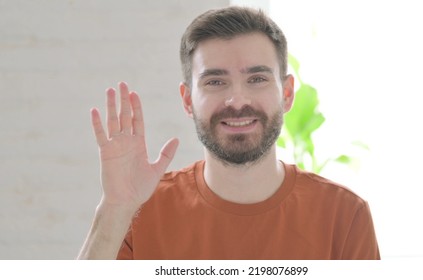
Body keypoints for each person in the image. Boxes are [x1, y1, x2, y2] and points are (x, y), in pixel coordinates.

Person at [77, 6, 380, 260]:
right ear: (187, 100)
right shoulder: (137, 212)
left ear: (286, 94)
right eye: (215, 82)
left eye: (257, 79)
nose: (237, 100)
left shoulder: (344, 215)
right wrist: (115, 207)